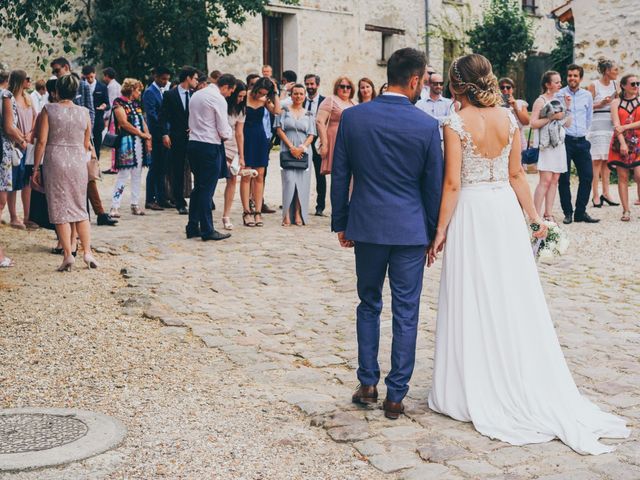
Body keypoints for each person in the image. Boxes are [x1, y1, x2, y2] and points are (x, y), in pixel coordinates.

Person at [427, 53, 630, 455]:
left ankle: (473, 382)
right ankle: (515, 371)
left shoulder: (452, 123)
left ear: (456, 86)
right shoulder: (508, 118)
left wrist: (439, 230)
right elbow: (518, 174)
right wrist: (535, 219)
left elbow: (451, 184)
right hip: (503, 209)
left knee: (472, 292)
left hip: (470, 211)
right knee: (510, 293)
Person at [331, 48, 444, 419]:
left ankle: (367, 384)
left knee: (368, 303)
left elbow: (341, 173)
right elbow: (433, 186)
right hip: (411, 229)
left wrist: (341, 222)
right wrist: (432, 232)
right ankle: (396, 395)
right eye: (423, 81)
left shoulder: (354, 118)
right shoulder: (427, 126)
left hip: (367, 226)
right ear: (414, 80)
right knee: (406, 312)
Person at [32, 74, 99, 271]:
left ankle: (68, 254)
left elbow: (42, 141)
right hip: (77, 160)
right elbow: (86, 143)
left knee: (60, 207)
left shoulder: (49, 109)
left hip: (56, 159)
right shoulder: (85, 112)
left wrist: (36, 168)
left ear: (57, 91)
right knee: (80, 207)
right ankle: (87, 252)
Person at [51, 58, 116, 226]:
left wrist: (86, 134)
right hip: (62, 140)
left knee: (89, 175)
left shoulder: (83, 85)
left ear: (66, 67)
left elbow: (90, 110)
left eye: (57, 70)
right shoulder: (56, 86)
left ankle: (99, 213)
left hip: (81, 138)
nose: (55, 74)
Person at [186, 73, 236, 241]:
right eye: (231, 91)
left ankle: (192, 225)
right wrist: (229, 133)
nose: (230, 95)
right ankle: (207, 229)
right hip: (209, 145)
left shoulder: (196, 95)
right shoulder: (218, 99)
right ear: (226, 87)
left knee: (198, 186)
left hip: (193, 143)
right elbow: (223, 129)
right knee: (207, 189)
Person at [558, 64, 600, 224]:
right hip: (565, 142)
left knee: (587, 176)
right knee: (564, 178)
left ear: (580, 78)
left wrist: (586, 134)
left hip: (582, 141)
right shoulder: (560, 94)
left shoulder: (587, 95)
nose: (572, 78)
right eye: (570, 75)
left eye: (575, 76)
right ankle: (568, 212)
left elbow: (589, 117)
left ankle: (580, 212)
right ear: (567, 77)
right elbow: (558, 117)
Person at [531, 71, 571, 221]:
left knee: (555, 179)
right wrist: (552, 116)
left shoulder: (558, 100)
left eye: (560, 82)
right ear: (548, 85)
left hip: (559, 145)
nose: (560, 84)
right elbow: (533, 123)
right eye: (556, 82)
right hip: (546, 145)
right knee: (545, 180)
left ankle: (548, 213)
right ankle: (535, 215)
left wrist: (567, 107)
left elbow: (567, 123)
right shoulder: (540, 101)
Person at [241, 77, 281, 227]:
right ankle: (246, 211)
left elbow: (277, 111)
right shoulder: (244, 96)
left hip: (259, 137)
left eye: (264, 93)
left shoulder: (265, 99)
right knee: (246, 176)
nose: (260, 95)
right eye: (259, 92)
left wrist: (275, 93)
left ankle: (258, 211)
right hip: (245, 136)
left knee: (260, 176)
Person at [109, 78, 152, 217]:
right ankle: (115, 206)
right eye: (138, 90)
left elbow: (142, 121)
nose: (139, 93)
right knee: (123, 174)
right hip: (126, 143)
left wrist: (147, 136)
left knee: (137, 174)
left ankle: (135, 203)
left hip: (138, 143)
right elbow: (123, 123)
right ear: (131, 89)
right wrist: (141, 134)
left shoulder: (135, 104)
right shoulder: (118, 102)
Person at [160, 66, 199, 215]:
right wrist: (165, 134)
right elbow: (163, 116)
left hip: (195, 137)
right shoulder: (170, 95)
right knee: (178, 169)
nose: (196, 81)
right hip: (177, 136)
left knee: (197, 168)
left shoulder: (195, 94)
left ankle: (199, 198)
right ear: (188, 78)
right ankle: (179, 201)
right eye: (195, 78)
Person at [276, 84, 316, 226]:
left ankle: (298, 213)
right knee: (288, 181)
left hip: (304, 151)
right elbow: (279, 130)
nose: (298, 96)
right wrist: (291, 147)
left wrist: (302, 148)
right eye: (295, 93)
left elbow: (312, 134)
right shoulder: (284, 111)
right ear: (291, 95)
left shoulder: (309, 114)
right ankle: (286, 213)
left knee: (302, 183)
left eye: (301, 94)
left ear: (304, 96)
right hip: (287, 148)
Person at [2, 70, 37, 230]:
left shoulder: (28, 99)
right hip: (14, 145)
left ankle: (28, 216)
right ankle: (14, 216)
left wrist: (30, 135)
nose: (29, 82)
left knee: (26, 181)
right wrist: (20, 139)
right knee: (13, 182)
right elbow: (9, 125)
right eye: (27, 79)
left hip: (26, 143)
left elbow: (36, 118)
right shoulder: (9, 98)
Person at [588, 59, 620, 207]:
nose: (617, 72)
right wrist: (600, 104)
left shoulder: (616, 85)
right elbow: (586, 106)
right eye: (615, 69)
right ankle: (595, 195)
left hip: (610, 125)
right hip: (596, 125)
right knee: (596, 161)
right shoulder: (594, 85)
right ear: (607, 71)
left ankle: (606, 193)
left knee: (607, 161)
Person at [608, 74, 640, 221]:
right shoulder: (616, 102)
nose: (636, 86)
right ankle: (626, 210)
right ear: (623, 86)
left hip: (638, 141)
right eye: (633, 84)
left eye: (638, 83)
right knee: (623, 176)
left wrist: (625, 126)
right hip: (620, 142)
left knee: (639, 175)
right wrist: (622, 143)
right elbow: (616, 124)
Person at [142, 66, 172, 210]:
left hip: (164, 132)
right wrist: (163, 131)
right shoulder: (149, 92)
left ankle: (161, 197)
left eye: (167, 79)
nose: (165, 82)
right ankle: (150, 199)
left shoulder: (163, 91)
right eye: (163, 79)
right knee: (155, 167)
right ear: (156, 77)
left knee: (163, 167)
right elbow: (152, 116)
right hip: (156, 134)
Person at [317, 76, 356, 175]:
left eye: (348, 87)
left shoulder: (354, 103)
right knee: (337, 172)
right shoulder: (330, 100)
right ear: (336, 88)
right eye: (342, 86)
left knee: (350, 171)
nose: (345, 89)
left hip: (350, 140)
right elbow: (319, 121)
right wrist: (324, 144)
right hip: (334, 139)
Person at [221, 79, 247, 230]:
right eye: (239, 96)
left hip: (233, 147)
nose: (241, 99)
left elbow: (239, 133)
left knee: (232, 179)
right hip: (219, 144)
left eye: (244, 96)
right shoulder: (222, 105)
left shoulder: (241, 110)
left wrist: (242, 155)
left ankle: (226, 215)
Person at [303, 74, 326, 216]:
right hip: (303, 140)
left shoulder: (324, 102)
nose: (310, 87)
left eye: (312, 84)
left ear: (317, 85)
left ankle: (320, 206)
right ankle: (298, 202)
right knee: (301, 172)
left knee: (319, 174)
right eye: (307, 84)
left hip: (317, 141)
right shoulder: (300, 100)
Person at [82, 66, 110, 160]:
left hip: (98, 120)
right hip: (84, 120)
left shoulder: (102, 87)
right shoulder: (81, 86)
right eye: (87, 78)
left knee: (97, 146)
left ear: (95, 74)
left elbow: (108, 103)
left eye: (91, 77)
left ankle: (96, 166)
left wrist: (104, 106)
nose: (89, 79)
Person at [416, 73, 454, 141]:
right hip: (425, 140)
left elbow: (451, 121)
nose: (439, 86)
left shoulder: (449, 103)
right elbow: (419, 122)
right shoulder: (419, 104)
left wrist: (429, 119)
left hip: (443, 141)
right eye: (436, 83)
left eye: (441, 83)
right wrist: (442, 120)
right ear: (430, 84)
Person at [498, 77, 529, 150]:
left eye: (508, 87)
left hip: (519, 140)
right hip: (501, 141)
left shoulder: (520, 103)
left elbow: (526, 122)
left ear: (513, 89)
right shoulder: (495, 105)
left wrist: (516, 108)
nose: (505, 89)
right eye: (502, 87)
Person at [102, 67, 121, 174]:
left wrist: (106, 117)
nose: (104, 78)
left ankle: (114, 166)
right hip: (117, 117)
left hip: (114, 118)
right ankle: (115, 165)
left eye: (104, 76)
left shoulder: (111, 87)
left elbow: (111, 103)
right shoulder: (117, 85)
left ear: (107, 76)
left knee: (113, 141)